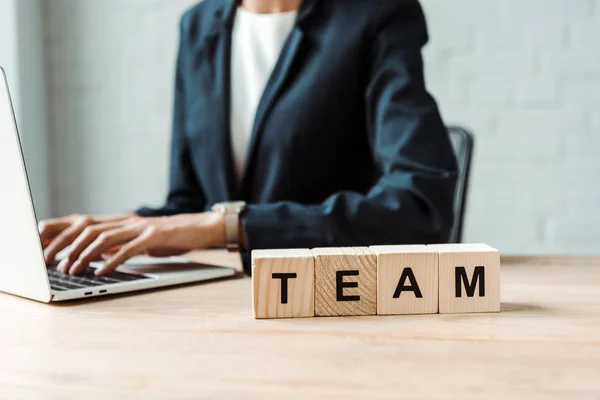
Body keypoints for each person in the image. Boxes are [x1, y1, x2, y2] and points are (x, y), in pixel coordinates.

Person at [39, 0, 458, 277]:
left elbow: (420, 207)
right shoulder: (199, 25)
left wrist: (227, 226)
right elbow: (190, 205)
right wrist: (118, 228)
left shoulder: (377, 15)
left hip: (328, 302)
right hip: (223, 305)